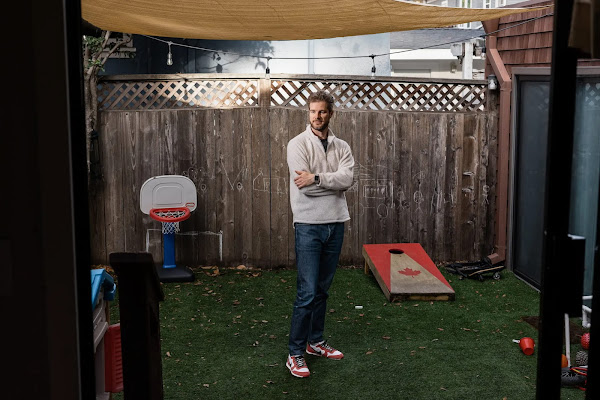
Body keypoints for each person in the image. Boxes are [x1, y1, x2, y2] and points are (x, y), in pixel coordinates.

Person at [285, 90, 355, 378]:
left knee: (322, 291)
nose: (317, 116)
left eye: (322, 111)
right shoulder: (297, 144)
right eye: (313, 111)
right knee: (307, 292)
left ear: (331, 113)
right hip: (308, 225)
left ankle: (315, 342)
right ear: (308, 113)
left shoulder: (342, 146)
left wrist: (315, 177)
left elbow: (347, 180)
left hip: (336, 223)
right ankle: (295, 353)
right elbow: (304, 187)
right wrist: (328, 182)